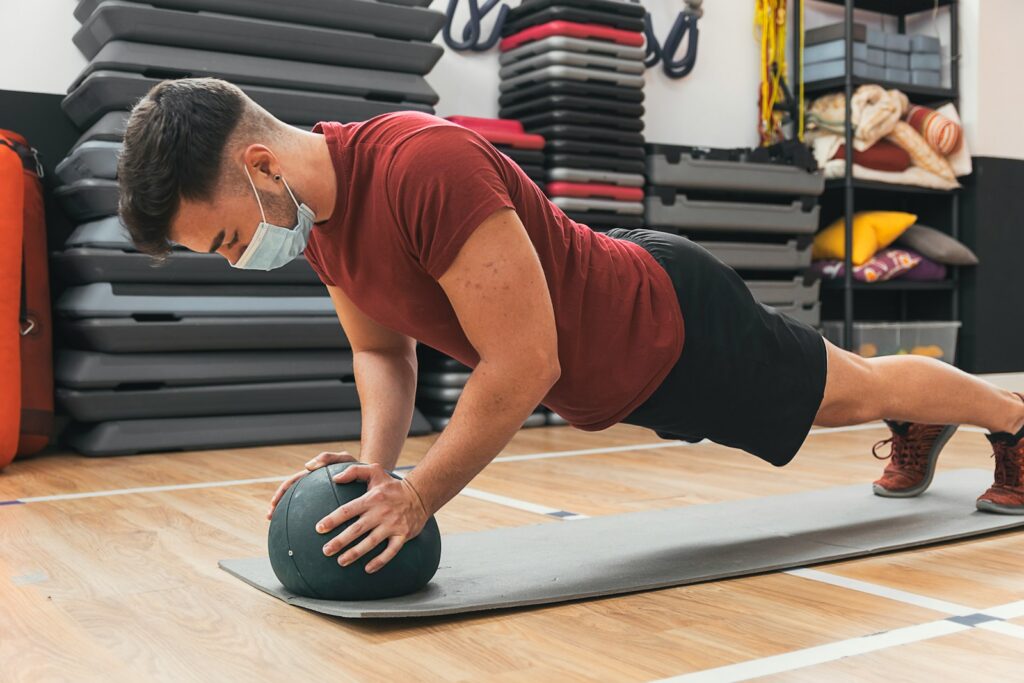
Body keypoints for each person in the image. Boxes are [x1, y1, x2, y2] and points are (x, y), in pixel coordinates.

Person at [116, 78, 1024, 574]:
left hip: (671, 328)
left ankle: (1010, 420)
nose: (243, 259)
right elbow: (378, 349)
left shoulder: (421, 166)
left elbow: (524, 360)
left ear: (263, 165)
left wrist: (420, 496)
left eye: (232, 238)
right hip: (622, 360)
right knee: (850, 394)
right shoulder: (316, 228)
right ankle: (925, 421)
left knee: (852, 392)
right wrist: (378, 468)